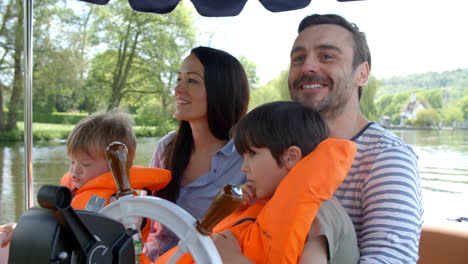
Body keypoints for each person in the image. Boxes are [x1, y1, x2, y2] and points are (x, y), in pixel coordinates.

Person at [288, 14, 423, 263]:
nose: (307, 67)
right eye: (298, 58)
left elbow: (391, 258)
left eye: (327, 56)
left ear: (362, 74)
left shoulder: (387, 158)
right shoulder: (282, 148)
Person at [155, 101, 358, 264]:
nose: (244, 167)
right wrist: (237, 211)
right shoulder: (272, 203)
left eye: (252, 154)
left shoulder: (319, 215)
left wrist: (233, 259)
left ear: (291, 156)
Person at [0, 110, 171, 249]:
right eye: (72, 161)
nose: (75, 170)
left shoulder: (122, 205)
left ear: (117, 167)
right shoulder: (75, 190)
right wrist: (20, 229)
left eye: (86, 164)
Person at [145, 46, 250, 260]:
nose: (178, 89)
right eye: (178, 79)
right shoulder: (166, 147)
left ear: (221, 91)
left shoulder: (248, 157)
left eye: (192, 81)